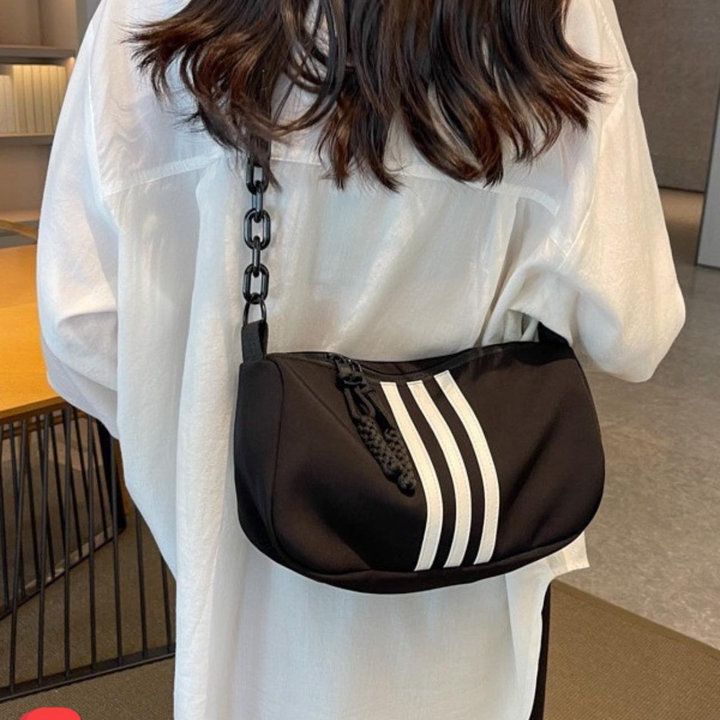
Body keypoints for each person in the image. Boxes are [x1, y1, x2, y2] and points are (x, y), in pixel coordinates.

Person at [35, 0, 685, 718]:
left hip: (246, 579)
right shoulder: (566, 12)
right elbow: (633, 330)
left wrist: (199, 446)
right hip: (475, 565)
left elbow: (81, 331)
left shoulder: (140, 11)